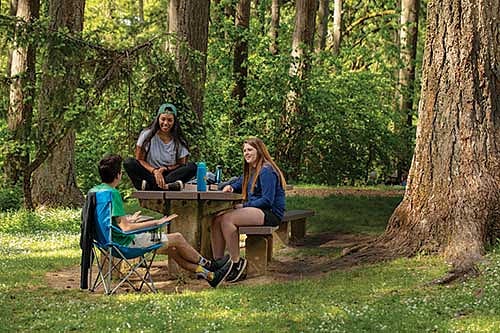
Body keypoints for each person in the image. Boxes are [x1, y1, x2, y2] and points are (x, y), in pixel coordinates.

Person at [92, 154, 232, 288]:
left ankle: (210, 276)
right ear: (118, 175)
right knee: (177, 237)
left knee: (171, 249)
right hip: (126, 244)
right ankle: (209, 264)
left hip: (106, 242)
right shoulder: (113, 193)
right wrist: (156, 223)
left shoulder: (96, 191)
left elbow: (109, 220)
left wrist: (129, 219)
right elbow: (126, 228)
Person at [210, 138, 286, 282]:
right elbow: (240, 183)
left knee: (227, 219)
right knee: (216, 219)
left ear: (259, 151)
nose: (246, 153)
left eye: (250, 150)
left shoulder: (266, 170)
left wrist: (244, 206)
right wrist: (231, 187)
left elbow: (267, 200)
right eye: (244, 150)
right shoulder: (252, 170)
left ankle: (237, 263)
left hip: (270, 212)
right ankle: (219, 263)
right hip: (258, 210)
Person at [124, 103, 197, 191]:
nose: (165, 123)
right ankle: (167, 186)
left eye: (169, 120)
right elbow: (140, 159)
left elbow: (181, 164)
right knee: (129, 162)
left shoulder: (179, 140)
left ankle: (152, 186)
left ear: (174, 122)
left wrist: (165, 168)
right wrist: (155, 171)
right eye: (163, 119)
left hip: (168, 174)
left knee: (192, 166)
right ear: (158, 119)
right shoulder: (147, 135)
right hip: (150, 172)